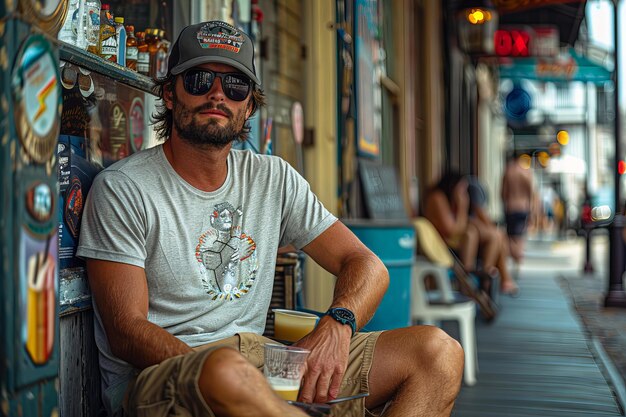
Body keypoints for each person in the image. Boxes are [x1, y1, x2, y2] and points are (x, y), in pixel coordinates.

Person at [77, 20, 464, 417]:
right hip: (165, 375)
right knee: (225, 371)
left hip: (262, 358)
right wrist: (232, 372)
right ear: (170, 95)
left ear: (249, 107)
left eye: (235, 86)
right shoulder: (123, 188)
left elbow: (368, 266)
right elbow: (127, 332)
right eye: (199, 79)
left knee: (438, 353)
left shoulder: (272, 178)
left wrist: (338, 325)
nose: (217, 94)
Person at [501, 155, 534, 266]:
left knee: (511, 235)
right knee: (520, 234)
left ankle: (515, 254)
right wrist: (531, 210)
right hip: (523, 206)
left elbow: (503, 192)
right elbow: (530, 192)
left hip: (511, 206)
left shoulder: (508, 171)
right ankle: (518, 255)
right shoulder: (526, 172)